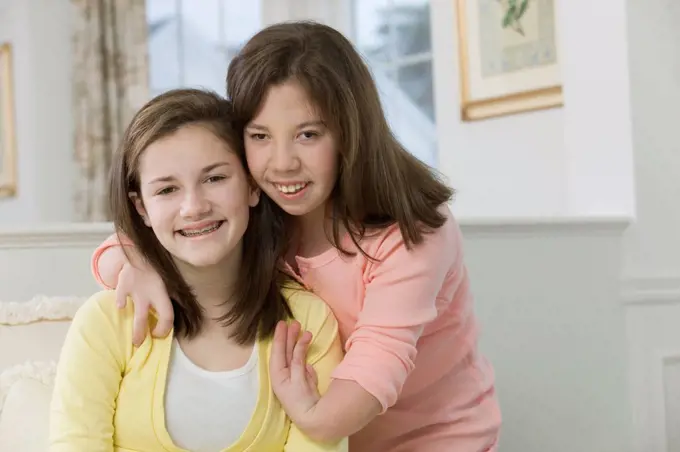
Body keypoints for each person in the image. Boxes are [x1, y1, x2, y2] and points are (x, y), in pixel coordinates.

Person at [89, 21, 501, 452]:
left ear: (350, 132)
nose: (282, 164)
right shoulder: (263, 208)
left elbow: (366, 382)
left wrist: (311, 415)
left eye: (308, 135)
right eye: (260, 136)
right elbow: (124, 246)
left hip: (433, 440)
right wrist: (140, 261)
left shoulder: (412, 232)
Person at [49, 88, 347, 452]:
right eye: (167, 190)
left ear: (252, 186)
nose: (194, 207)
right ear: (141, 208)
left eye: (214, 179)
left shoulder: (310, 321)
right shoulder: (107, 320)